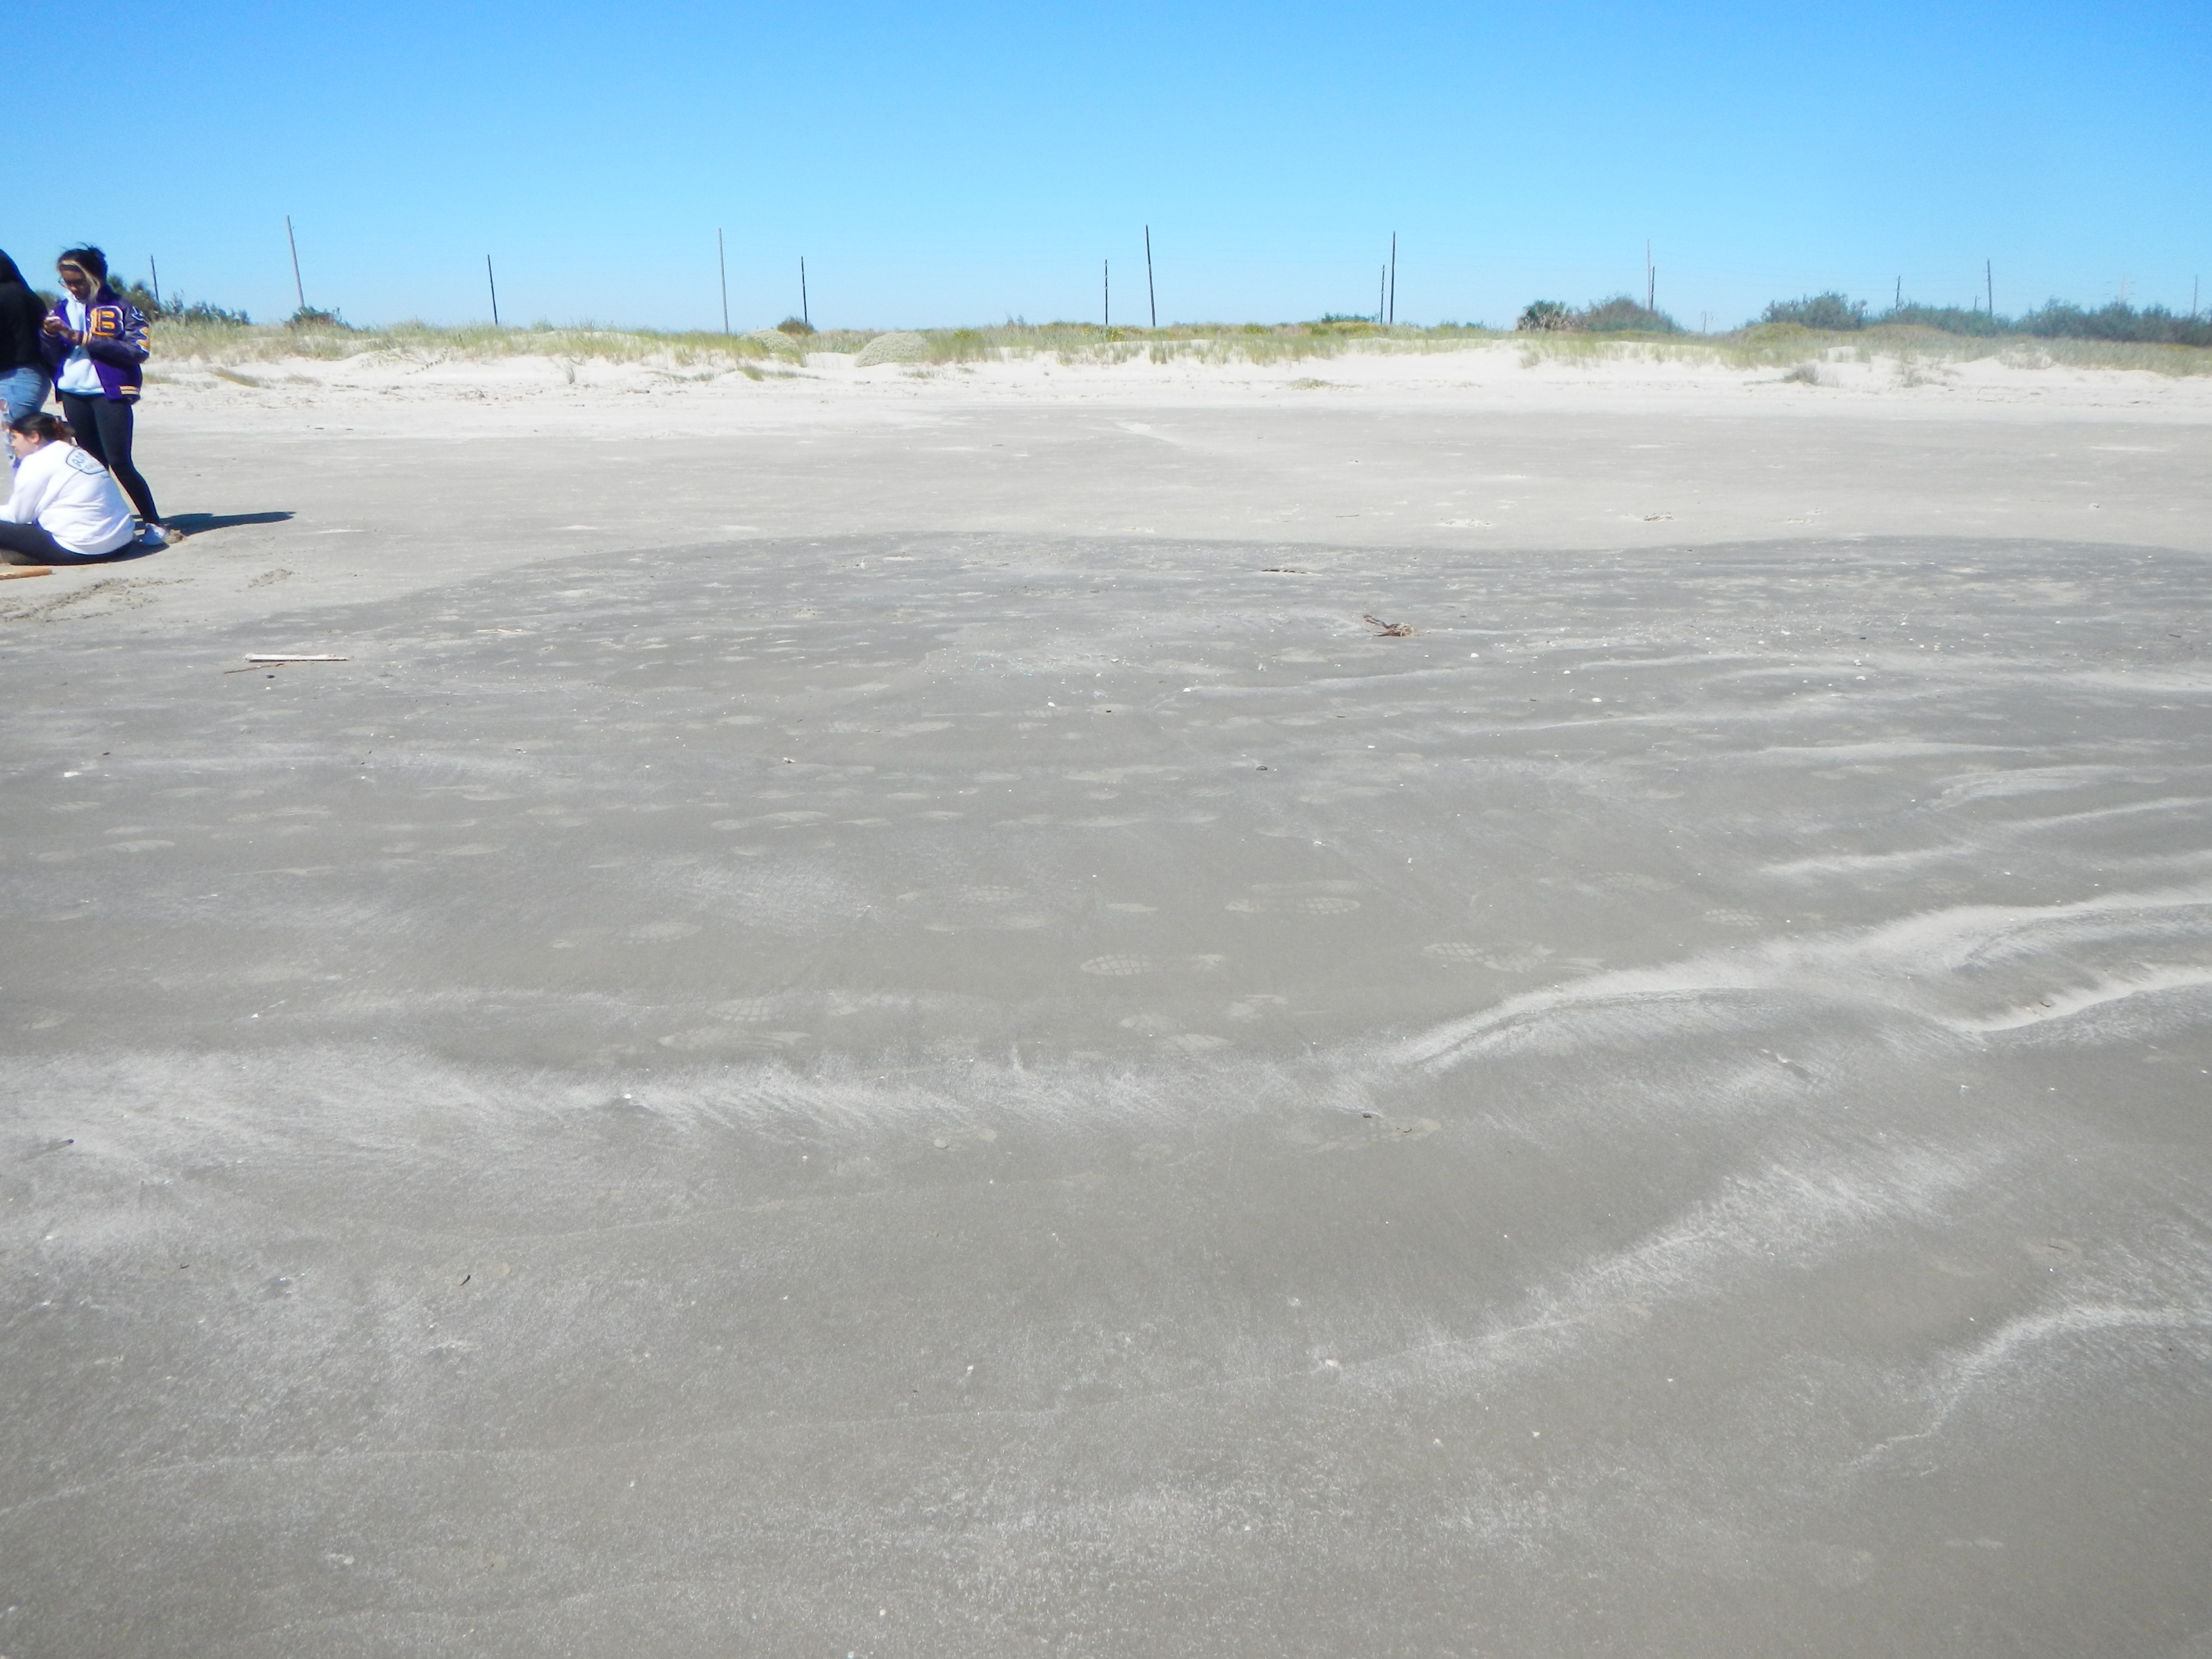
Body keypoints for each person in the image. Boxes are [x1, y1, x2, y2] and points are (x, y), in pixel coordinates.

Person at [40, 246, 175, 547]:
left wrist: (83, 338)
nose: (73, 289)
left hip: (110, 392)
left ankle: (153, 522)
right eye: (67, 282)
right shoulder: (60, 308)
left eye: (78, 282)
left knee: (119, 460)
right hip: (74, 393)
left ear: (95, 277)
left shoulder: (122, 308)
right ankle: (113, 522)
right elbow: (49, 355)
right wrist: (50, 335)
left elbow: (138, 351)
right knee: (94, 465)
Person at [0, 411, 139, 565]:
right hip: (122, 543)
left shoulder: (36, 462)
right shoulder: (77, 452)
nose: (12, 444)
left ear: (34, 437)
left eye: (15, 438)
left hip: (83, 550)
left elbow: (19, 516)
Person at [0, 249, 49, 430]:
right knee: (29, 438)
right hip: (34, 373)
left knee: (20, 441)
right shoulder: (27, 295)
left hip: (14, 377)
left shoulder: (4, 296)